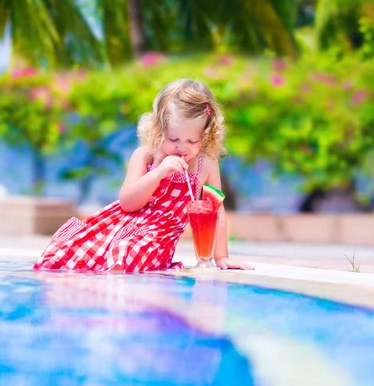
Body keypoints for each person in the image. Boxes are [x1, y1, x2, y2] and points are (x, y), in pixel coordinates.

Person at [34, 78, 253, 272]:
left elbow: (216, 210)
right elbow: (128, 203)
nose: (182, 148)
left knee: (125, 250)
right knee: (68, 248)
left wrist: (221, 256)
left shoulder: (206, 163)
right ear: (159, 130)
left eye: (192, 141)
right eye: (173, 139)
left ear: (205, 136)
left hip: (157, 239)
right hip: (120, 224)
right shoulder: (146, 156)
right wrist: (158, 173)